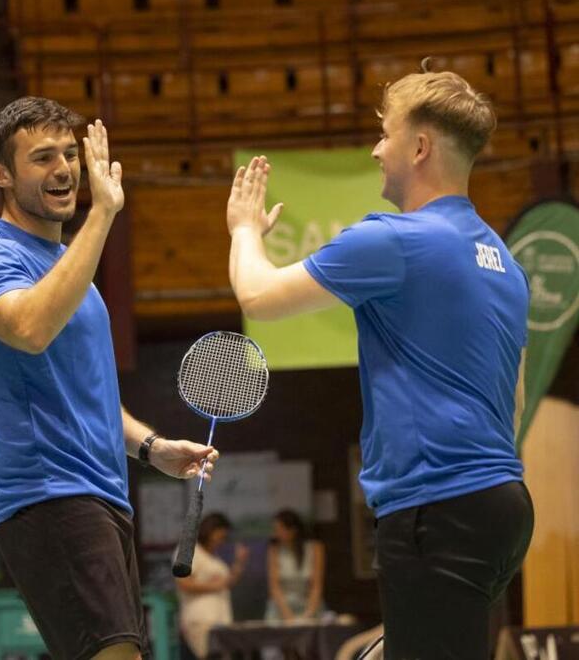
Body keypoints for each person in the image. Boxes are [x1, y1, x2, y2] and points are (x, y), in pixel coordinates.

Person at [223, 65, 533, 659]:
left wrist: (243, 231)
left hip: (435, 509)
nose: (375, 149)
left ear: (419, 147)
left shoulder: (394, 239)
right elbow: (512, 398)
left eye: (385, 134)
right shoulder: (505, 262)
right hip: (501, 504)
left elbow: (257, 297)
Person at [0, 96, 219, 660]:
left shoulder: (76, 277)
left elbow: (88, 397)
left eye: (71, 154)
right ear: (2, 175)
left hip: (103, 496)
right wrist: (102, 214)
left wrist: (151, 449)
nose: (64, 170)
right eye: (43, 157)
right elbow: (29, 328)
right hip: (50, 496)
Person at [175, 512, 248, 659]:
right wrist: (215, 586)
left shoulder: (214, 557)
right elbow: (184, 583)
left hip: (220, 621)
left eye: (224, 538)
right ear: (209, 531)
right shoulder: (190, 551)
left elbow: (226, 583)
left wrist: (239, 562)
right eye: (220, 536)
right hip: (200, 622)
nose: (221, 541)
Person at [264, 509, 325, 623]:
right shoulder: (274, 550)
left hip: (308, 604)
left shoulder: (314, 548)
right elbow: (274, 587)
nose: (275, 533)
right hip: (281, 607)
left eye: (279, 529)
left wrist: (309, 614)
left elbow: (316, 585)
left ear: (293, 530)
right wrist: (288, 616)